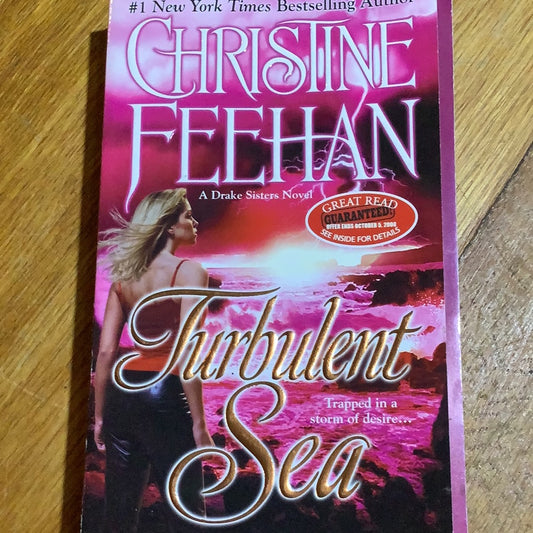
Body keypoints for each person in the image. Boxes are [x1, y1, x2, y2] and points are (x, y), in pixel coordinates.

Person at [93, 188, 213, 532]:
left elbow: (106, 352)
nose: (194, 221)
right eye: (188, 215)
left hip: (122, 393)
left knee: (119, 513)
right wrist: (199, 423)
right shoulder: (190, 272)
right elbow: (187, 350)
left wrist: (99, 416)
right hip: (164, 393)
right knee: (187, 511)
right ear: (169, 226)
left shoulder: (124, 278)